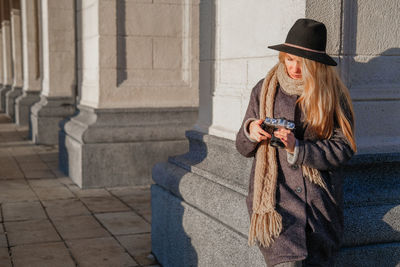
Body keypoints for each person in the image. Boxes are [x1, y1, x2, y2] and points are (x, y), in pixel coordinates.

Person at [235, 18, 357, 267]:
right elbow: (241, 145)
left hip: (318, 205)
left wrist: (299, 149)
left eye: (303, 62)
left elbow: (344, 147)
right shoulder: (264, 89)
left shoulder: (332, 94)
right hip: (276, 205)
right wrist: (251, 131)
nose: (294, 67)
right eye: (289, 59)